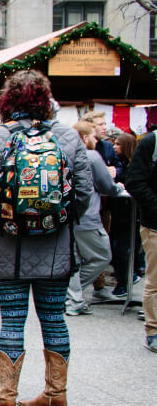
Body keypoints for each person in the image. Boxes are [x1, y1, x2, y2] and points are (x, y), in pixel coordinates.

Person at [0, 70, 92, 406]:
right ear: (46, 100)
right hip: (56, 250)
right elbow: (83, 194)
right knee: (54, 318)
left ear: (8, 101)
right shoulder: (68, 138)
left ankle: (7, 400)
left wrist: (2, 220)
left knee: (12, 321)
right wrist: (59, 221)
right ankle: (57, 396)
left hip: (9, 252)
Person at [64, 122, 124, 316]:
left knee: (74, 258)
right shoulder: (92, 156)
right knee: (102, 255)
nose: (96, 140)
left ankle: (74, 299)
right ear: (84, 138)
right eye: (93, 136)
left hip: (66, 216)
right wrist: (119, 188)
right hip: (87, 216)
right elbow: (107, 185)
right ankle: (71, 294)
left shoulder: (62, 155)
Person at [124, 126, 157, 352]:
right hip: (155, 225)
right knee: (155, 281)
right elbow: (134, 181)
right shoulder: (151, 142)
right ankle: (154, 330)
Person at [109, 132, 140, 298]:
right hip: (119, 212)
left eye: (118, 144)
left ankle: (126, 280)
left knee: (122, 248)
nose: (114, 147)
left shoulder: (132, 165)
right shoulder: (118, 163)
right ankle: (126, 278)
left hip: (128, 214)